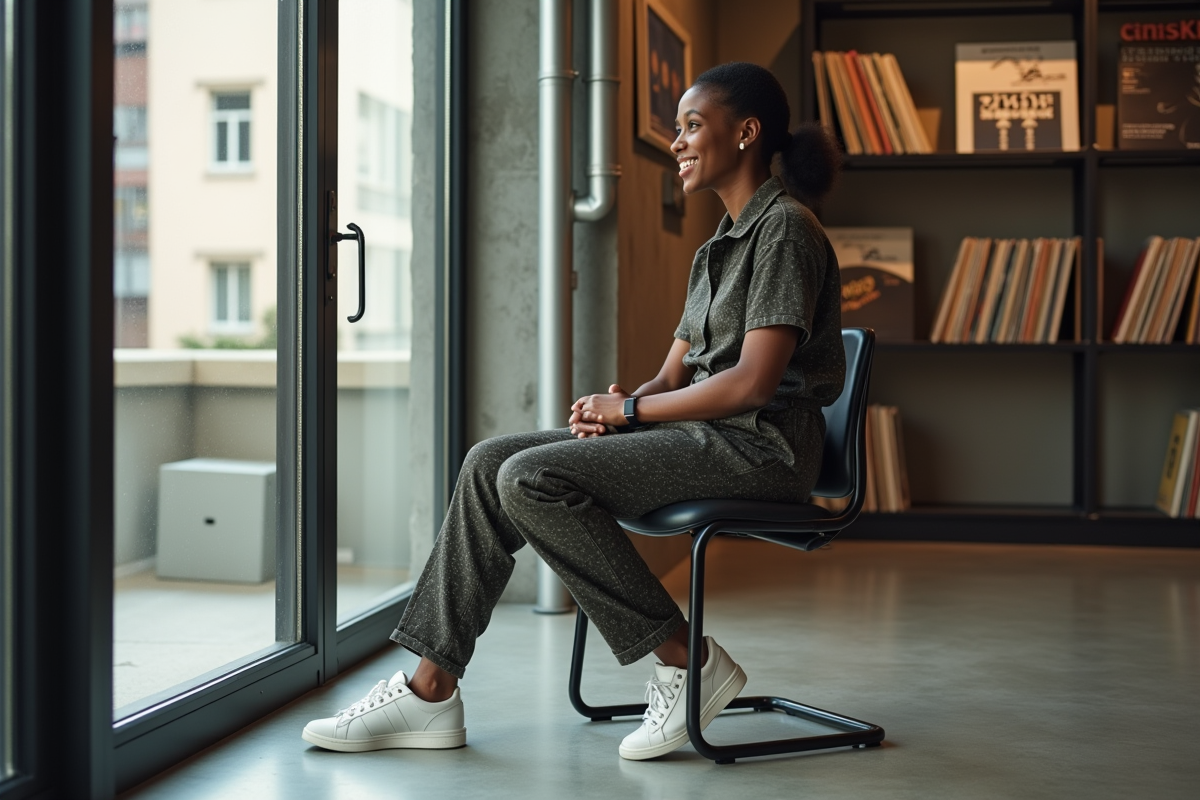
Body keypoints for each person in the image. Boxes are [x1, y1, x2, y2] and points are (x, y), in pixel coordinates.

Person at [301, 62, 845, 761]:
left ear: (746, 133)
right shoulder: (716, 247)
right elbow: (669, 374)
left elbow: (749, 386)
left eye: (691, 127)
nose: (678, 142)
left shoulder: (787, 232)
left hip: (761, 449)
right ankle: (429, 688)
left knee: (531, 479)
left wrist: (632, 417)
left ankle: (685, 658)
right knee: (489, 461)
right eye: (676, 129)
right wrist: (621, 405)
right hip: (706, 436)